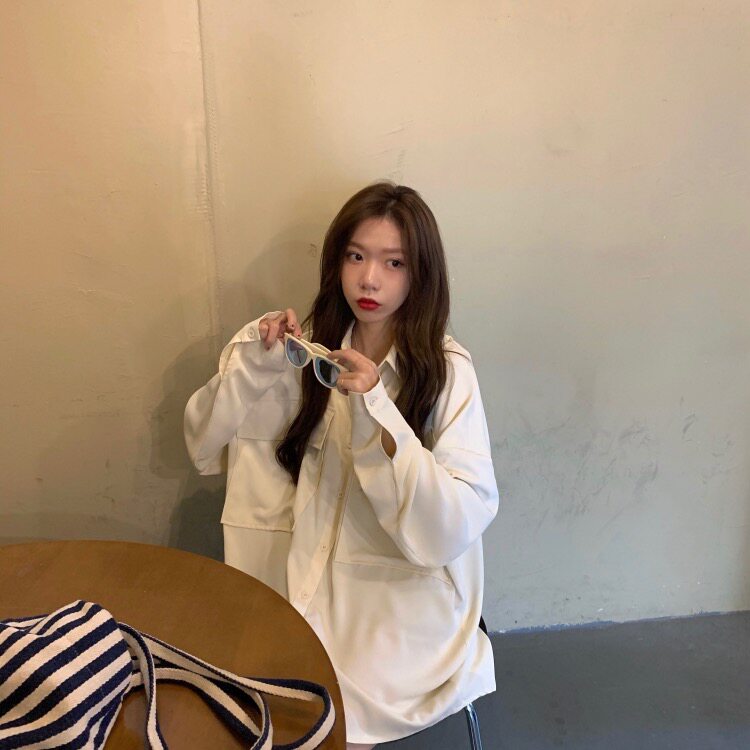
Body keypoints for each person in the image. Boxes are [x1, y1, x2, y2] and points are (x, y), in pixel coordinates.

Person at [184, 182, 499, 749]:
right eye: (356, 256)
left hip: (395, 596)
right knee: (262, 700)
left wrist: (377, 407)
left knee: (338, 713)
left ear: (421, 273)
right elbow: (203, 441)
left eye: (394, 263)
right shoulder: (298, 352)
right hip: (287, 579)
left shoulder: (445, 371)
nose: (370, 280)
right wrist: (256, 363)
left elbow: (455, 521)